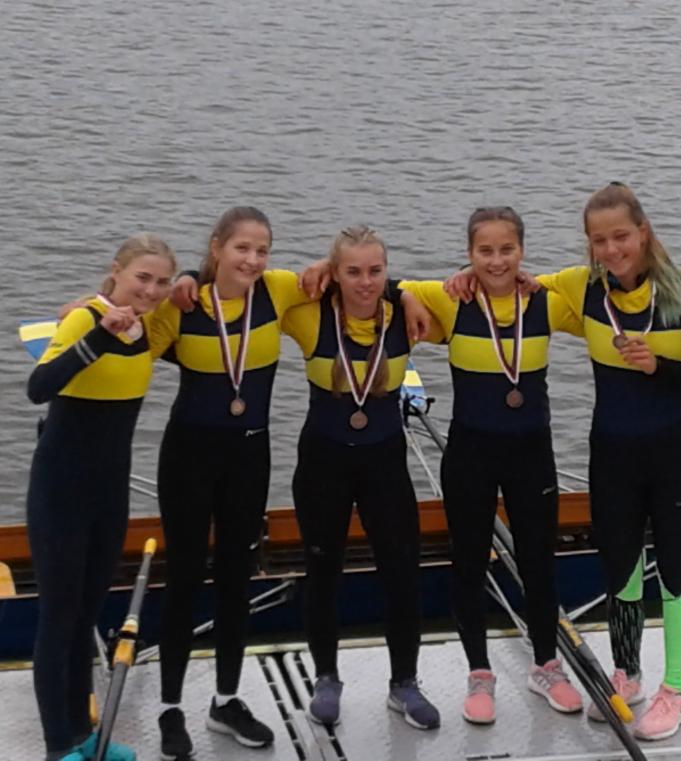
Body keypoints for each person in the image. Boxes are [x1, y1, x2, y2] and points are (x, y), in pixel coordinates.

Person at [149, 209, 432, 758]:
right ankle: (170, 709)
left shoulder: (277, 292)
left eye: (262, 250)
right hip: (188, 457)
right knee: (184, 579)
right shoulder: (183, 303)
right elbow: (136, 333)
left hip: (250, 456)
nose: (253, 260)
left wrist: (402, 290)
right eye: (242, 248)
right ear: (217, 247)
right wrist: (182, 278)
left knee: (237, 577)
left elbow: (349, 276)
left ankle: (226, 700)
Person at [536, 182, 681, 741]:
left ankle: (675, 693)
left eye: (621, 236)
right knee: (619, 571)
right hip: (613, 455)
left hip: (674, 454)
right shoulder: (581, 289)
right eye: (599, 241)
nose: (612, 249)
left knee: (676, 574)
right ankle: (629, 676)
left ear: (642, 232)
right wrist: (451, 282)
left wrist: (657, 368)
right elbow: (505, 282)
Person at [397, 207, 586, 725]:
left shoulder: (547, 300)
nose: (497, 261)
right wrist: (412, 295)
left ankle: (546, 665)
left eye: (507, 250)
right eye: (485, 252)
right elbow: (385, 287)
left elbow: (610, 290)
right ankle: (479, 673)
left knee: (538, 561)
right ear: (469, 254)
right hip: (470, 455)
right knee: (469, 563)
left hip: (532, 454)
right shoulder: (451, 298)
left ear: (522, 251)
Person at [278, 225, 441, 731]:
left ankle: (404, 683)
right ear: (334, 273)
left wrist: (403, 292)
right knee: (322, 569)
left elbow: (480, 282)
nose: (365, 282)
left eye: (375, 271)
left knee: (402, 571)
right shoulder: (307, 313)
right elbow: (235, 289)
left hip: (384, 464)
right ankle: (326, 678)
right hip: (322, 463)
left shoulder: (408, 314)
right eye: (352, 272)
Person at [26, 233, 177, 761]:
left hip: (110, 492)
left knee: (87, 615)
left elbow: (203, 286)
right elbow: (38, 387)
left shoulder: (150, 325)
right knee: (59, 618)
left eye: (161, 281)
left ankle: (83, 737)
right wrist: (98, 335)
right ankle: (57, 747)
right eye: (142, 278)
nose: (151, 290)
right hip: (60, 489)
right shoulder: (83, 320)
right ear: (116, 271)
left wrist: (183, 285)